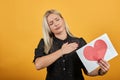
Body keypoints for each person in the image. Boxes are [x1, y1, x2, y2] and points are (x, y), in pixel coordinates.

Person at [33, 9, 110, 80]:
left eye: (57, 19)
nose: (56, 24)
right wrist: (61, 51)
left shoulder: (79, 42)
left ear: (63, 20)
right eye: (51, 23)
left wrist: (100, 71)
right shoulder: (45, 42)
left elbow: (87, 71)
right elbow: (38, 65)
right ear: (48, 28)